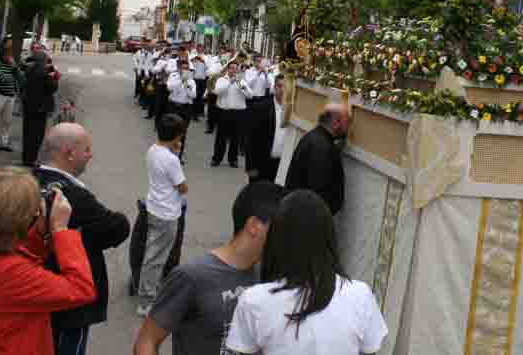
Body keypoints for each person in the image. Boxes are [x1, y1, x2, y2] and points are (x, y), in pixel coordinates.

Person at [0, 167, 96, 355]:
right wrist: (61, 231)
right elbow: (81, 289)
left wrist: (39, 232)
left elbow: (15, 250)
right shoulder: (10, 273)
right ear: (17, 222)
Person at [225, 189, 388, 355]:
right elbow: (370, 351)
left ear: (278, 239)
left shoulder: (254, 300)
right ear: (329, 237)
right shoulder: (360, 295)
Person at [133, 181, 286, 355]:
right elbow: (146, 341)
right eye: (283, 228)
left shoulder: (271, 275)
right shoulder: (192, 276)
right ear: (254, 226)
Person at [34, 124, 130, 355]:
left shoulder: (26, 181)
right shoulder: (73, 196)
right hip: (68, 306)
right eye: (86, 149)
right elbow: (117, 228)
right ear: (69, 153)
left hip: (34, 295)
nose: (90, 155)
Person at [138, 114, 189, 316]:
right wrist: (175, 155)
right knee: (156, 257)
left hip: (155, 207)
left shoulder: (153, 150)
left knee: (153, 253)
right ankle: (146, 300)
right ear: (177, 136)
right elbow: (183, 187)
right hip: (167, 213)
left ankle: (148, 290)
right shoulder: (171, 160)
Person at [285, 104, 349, 214]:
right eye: (347, 122)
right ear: (335, 123)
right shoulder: (322, 147)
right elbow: (318, 191)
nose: (348, 127)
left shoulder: (315, 137)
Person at [211, 59, 252, 168]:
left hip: (238, 113)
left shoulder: (242, 81)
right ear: (228, 69)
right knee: (221, 137)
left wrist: (240, 86)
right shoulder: (221, 80)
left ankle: (233, 160)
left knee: (235, 138)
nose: (234, 70)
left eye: (236, 69)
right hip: (224, 112)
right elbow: (217, 91)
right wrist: (230, 82)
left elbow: (250, 95)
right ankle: (217, 158)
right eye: (232, 68)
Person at [0, 36, 23, 153]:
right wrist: (13, 76)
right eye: (7, 49)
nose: (9, 52)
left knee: (7, 120)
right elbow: (2, 78)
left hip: (10, 95)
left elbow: (20, 76)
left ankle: (3, 142)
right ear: (2, 49)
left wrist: (14, 67)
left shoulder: (12, 64)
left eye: (10, 50)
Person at [22, 50, 59, 167]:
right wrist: (53, 75)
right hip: (41, 108)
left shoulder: (29, 71)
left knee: (27, 133)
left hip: (28, 106)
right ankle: (33, 159)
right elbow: (53, 88)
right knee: (37, 134)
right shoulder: (45, 73)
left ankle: (26, 159)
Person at [191, 53, 207, 121]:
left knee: (201, 97)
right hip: (196, 80)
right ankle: (194, 114)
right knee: (195, 97)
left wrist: (203, 61)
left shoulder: (205, 62)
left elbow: (208, 68)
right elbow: (191, 64)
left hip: (203, 81)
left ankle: (199, 112)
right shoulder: (194, 62)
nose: (199, 59)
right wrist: (195, 59)